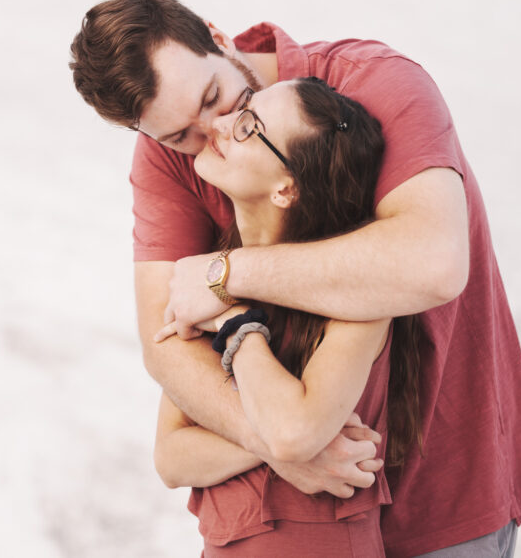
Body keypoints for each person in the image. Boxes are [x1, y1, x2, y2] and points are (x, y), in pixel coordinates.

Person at [68, 0, 521, 557]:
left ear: (219, 38)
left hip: (443, 500)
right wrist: (275, 441)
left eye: (216, 97)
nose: (216, 129)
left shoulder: (376, 83)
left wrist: (226, 277)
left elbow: (434, 264)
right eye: (180, 135)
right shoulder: (172, 159)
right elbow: (165, 344)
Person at [153, 78, 418, 556]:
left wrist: (237, 325)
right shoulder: (202, 281)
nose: (221, 123)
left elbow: (294, 431)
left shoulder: (357, 299)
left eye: (249, 124)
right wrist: (272, 448)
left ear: (286, 188)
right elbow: (172, 458)